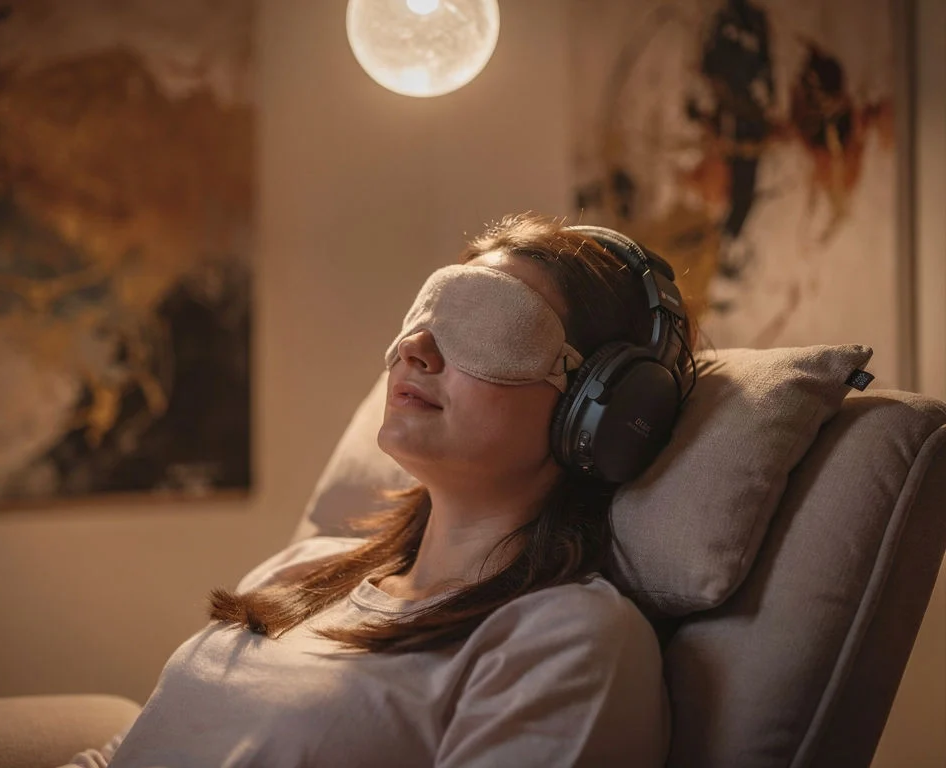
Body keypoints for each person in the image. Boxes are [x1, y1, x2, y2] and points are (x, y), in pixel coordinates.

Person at [66, 212, 698, 768]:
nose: (414, 349)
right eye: (432, 312)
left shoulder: (568, 640)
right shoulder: (302, 571)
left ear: (601, 410)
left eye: (487, 324)